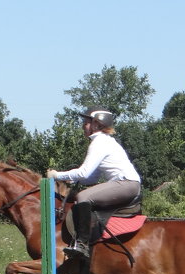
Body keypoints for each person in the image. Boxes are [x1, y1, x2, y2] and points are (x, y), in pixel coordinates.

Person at [46, 107, 142, 260]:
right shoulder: (104, 142)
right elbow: (91, 178)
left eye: (86, 123)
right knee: (83, 195)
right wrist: (70, 179)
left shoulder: (99, 142)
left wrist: (57, 175)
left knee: (83, 196)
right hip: (127, 184)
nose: (83, 126)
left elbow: (83, 173)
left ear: (96, 124)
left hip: (126, 184)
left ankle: (82, 245)